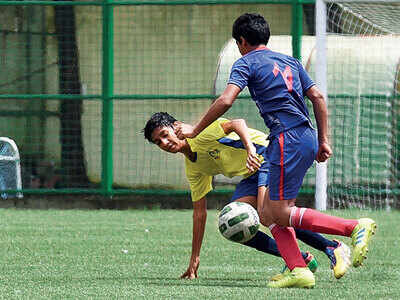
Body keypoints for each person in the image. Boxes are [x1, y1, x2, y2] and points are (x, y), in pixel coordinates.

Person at [174, 13, 376, 288]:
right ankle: (299, 269)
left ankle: (351, 228)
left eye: (238, 43)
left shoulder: (245, 62)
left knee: (279, 212)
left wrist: (195, 129)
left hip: (285, 139)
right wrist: (324, 139)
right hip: (306, 136)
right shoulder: (290, 61)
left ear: (241, 41)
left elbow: (226, 100)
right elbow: (316, 96)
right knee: (269, 212)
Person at [143, 112, 351, 281]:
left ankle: (332, 246)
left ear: (176, 126)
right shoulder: (193, 168)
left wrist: (250, 148)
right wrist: (194, 258)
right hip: (252, 174)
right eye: (158, 142)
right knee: (232, 223)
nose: (164, 142)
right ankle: (301, 260)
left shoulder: (199, 133)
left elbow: (237, 123)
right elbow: (199, 214)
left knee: (270, 213)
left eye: (164, 134)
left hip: (267, 155)